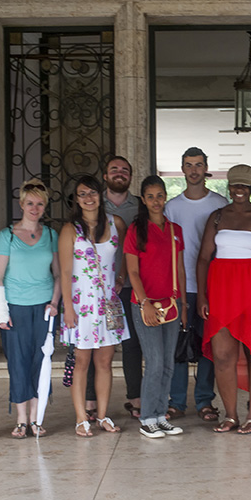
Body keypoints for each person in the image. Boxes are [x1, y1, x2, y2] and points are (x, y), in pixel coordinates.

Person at [197, 164, 251, 434]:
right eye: (235, 185)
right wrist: (202, 296)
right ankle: (231, 415)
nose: (240, 190)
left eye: (245, 185)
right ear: (229, 186)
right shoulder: (217, 217)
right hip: (220, 292)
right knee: (222, 356)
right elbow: (204, 258)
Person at [59, 175, 129, 437]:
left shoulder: (115, 223)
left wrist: (121, 276)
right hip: (81, 305)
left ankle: (102, 415)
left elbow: (128, 253)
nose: (88, 198)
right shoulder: (70, 229)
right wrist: (68, 307)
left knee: (105, 361)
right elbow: (65, 272)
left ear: (101, 195)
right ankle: (80, 418)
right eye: (82, 194)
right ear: (76, 199)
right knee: (81, 361)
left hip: (109, 303)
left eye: (92, 193)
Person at [0, 178, 60, 438]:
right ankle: (21, 419)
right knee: (18, 363)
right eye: (30, 203)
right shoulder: (7, 236)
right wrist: (1, 313)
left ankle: (36, 417)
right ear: (21, 204)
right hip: (15, 308)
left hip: (43, 308)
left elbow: (57, 274)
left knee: (40, 361)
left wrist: (55, 302)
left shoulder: (51, 235)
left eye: (40, 204)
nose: (35, 208)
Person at [164, 147, 226, 422]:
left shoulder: (220, 203)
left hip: (212, 285)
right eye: (188, 165)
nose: (193, 170)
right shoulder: (172, 207)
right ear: (182, 169)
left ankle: (204, 401)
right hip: (179, 286)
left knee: (207, 346)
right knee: (178, 346)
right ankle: (176, 402)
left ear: (206, 167)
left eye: (198, 165)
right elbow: (166, 249)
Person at [125, 175, 188, 439]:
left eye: (160, 195)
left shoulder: (175, 231)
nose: (156, 201)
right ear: (143, 199)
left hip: (171, 305)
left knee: (168, 364)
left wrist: (183, 304)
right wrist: (145, 303)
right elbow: (132, 271)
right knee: (154, 361)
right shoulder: (135, 230)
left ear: (166, 196)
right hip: (145, 306)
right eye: (150, 196)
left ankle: (161, 415)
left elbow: (180, 269)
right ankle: (148, 417)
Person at [85, 156, 141, 421]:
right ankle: (90, 399)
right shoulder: (93, 202)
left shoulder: (139, 206)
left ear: (130, 176)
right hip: (96, 289)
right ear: (105, 175)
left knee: (131, 344)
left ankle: (135, 397)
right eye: (114, 170)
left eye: (125, 170)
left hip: (129, 285)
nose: (120, 173)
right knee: (94, 345)